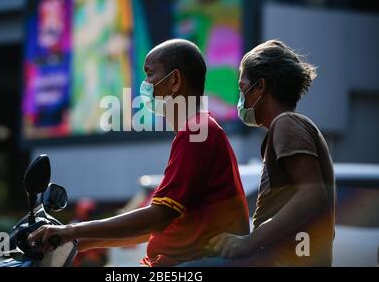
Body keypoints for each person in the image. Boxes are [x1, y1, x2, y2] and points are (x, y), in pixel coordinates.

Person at [28, 39, 249, 266]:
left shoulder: (197, 132)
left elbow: (159, 216)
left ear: (174, 81)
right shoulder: (198, 130)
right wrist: (77, 240)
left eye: (150, 74)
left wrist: (71, 230)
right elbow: (154, 226)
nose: (145, 83)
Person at [181, 39, 336, 267]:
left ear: (260, 87)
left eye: (243, 88)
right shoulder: (287, 127)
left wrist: (249, 242)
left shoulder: (287, 123)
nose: (240, 98)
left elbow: (312, 195)